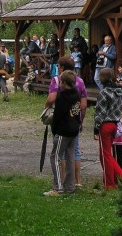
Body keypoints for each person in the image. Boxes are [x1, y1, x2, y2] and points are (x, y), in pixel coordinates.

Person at [45, 57, 88, 188]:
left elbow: (53, 101)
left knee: (58, 155)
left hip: (62, 127)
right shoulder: (79, 85)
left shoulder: (59, 87)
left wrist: (46, 110)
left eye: (58, 66)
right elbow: (83, 105)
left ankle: (60, 183)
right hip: (74, 125)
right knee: (73, 153)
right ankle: (75, 182)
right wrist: (79, 120)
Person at [44, 71, 81, 197]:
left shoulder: (61, 97)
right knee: (70, 158)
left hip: (63, 130)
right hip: (74, 130)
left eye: (60, 82)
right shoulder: (76, 94)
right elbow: (77, 112)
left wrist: (54, 129)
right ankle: (70, 186)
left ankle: (58, 187)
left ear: (64, 83)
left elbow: (58, 116)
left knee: (55, 157)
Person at [94, 68, 122, 189]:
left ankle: (112, 183)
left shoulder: (104, 92)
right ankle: (115, 179)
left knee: (106, 156)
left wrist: (96, 128)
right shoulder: (118, 91)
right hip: (115, 123)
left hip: (106, 124)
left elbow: (100, 112)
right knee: (108, 155)